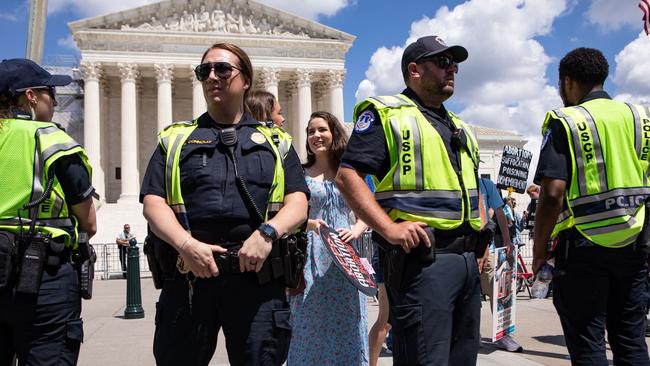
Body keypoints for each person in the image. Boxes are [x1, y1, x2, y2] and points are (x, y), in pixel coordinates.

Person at [140, 42, 309, 366]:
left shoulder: (275, 142)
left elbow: (298, 202)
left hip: (256, 279)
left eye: (222, 69)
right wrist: (185, 244)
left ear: (245, 79)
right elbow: (153, 201)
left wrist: (267, 234)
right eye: (205, 70)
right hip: (188, 273)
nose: (212, 77)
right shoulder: (175, 139)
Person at [336, 35, 483, 365]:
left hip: (466, 263)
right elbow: (347, 177)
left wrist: (480, 242)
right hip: (423, 262)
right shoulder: (387, 114)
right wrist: (389, 229)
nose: (452, 71)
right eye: (443, 63)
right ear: (414, 70)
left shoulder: (459, 126)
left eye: (455, 65)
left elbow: (473, 191)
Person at [533, 47, 650, 366]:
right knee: (630, 339)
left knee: (588, 344)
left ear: (567, 82)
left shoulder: (565, 120)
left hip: (583, 246)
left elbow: (553, 193)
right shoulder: (639, 117)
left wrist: (539, 249)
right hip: (634, 243)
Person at [0, 59, 97, 365]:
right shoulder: (51, 139)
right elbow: (89, 222)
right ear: (30, 96)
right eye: (49, 92)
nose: (54, 100)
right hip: (43, 276)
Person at [288, 111, 369, 365]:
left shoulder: (350, 174)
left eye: (322, 130)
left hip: (345, 258)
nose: (316, 136)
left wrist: (356, 229)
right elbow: (287, 212)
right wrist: (310, 224)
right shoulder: (299, 174)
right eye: (311, 131)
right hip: (311, 255)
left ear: (334, 133)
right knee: (307, 322)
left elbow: (367, 212)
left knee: (346, 321)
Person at [477, 178, 522, 352]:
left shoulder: (486, 185)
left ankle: (503, 335)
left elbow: (500, 212)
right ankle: (472, 333)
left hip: (487, 248)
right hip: (462, 249)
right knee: (468, 295)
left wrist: (507, 239)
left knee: (498, 293)